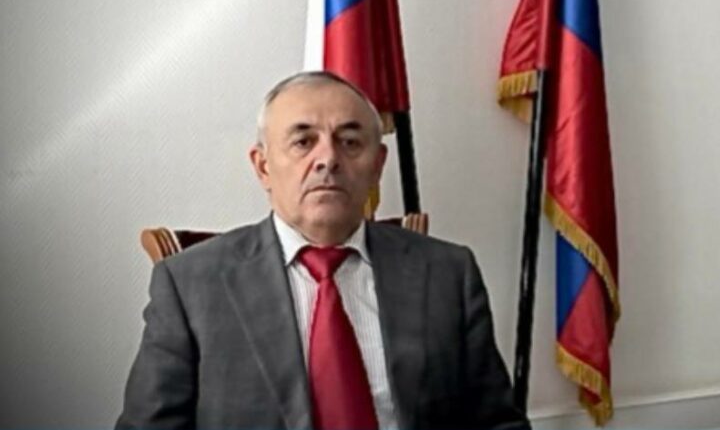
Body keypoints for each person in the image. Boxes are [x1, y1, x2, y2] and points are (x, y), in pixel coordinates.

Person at [117, 71, 528, 430]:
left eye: (349, 141)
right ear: (263, 166)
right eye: (303, 142)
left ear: (377, 164)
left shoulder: (447, 273)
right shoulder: (191, 285)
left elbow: (496, 422)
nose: (328, 158)